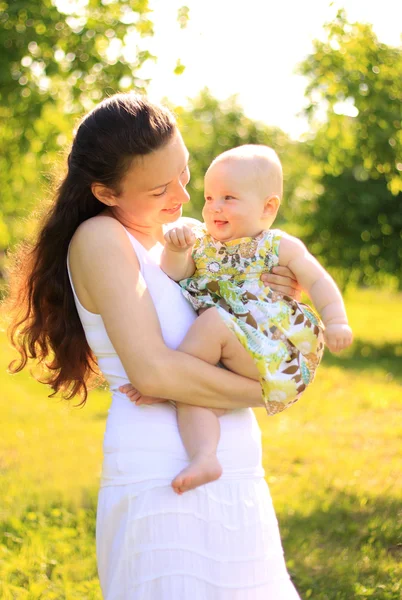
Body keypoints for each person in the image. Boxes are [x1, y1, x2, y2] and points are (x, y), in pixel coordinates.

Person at [6, 92, 304, 599]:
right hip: (162, 472)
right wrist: (272, 388)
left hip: (235, 467)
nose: (184, 196)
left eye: (185, 173)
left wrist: (275, 297)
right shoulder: (101, 239)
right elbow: (153, 373)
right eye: (161, 188)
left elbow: (231, 333)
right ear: (104, 191)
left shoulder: (181, 242)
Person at [133, 144, 352, 496]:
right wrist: (176, 250)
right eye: (209, 197)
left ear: (268, 207)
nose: (214, 207)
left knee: (211, 325)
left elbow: (318, 280)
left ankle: (167, 381)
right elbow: (174, 273)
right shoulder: (201, 244)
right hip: (239, 354)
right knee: (195, 397)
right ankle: (204, 457)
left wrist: (337, 320)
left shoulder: (278, 246)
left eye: (229, 198)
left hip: (277, 351)